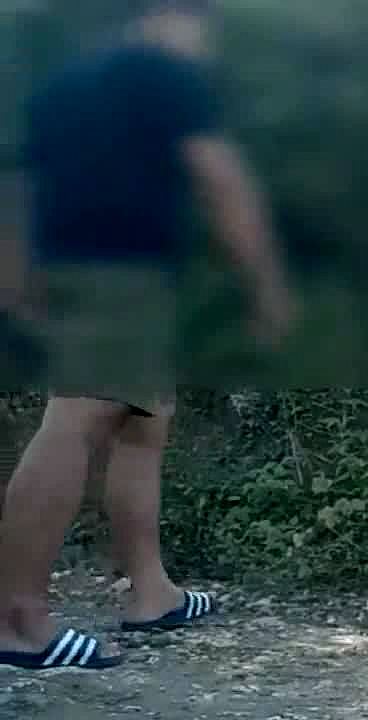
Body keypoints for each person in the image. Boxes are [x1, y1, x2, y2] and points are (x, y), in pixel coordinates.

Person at [0, 0, 293, 670]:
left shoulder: (64, 85)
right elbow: (220, 179)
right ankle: (18, 621)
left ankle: (151, 593)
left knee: (144, 418)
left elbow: (18, 187)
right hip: (120, 279)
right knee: (73, 422)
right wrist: (266, 287)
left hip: (80, 276)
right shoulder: (165, 71)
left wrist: (16, 284)